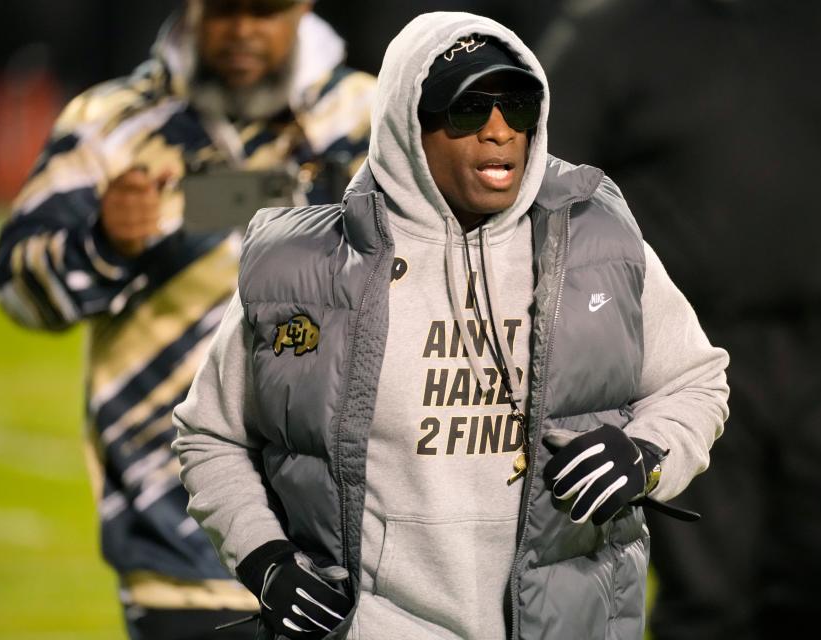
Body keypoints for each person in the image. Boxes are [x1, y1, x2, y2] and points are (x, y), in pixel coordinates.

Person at [173, 11, 729, 640]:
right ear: (409, 127)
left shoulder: (595, 240)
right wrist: (264, 560)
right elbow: (208, 435)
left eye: (518, 107)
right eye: (467, 111)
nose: (500, 132)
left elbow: (697, 381)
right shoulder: (298, 267)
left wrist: (648, 451)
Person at [541, 0, 821, 638]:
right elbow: (548, 183)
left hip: (819, 346)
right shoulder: (611, 32)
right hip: (684, 361)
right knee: (711, 598)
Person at [0, 1, 374, 637]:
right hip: (177, 534)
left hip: (350, 539)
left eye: (267, 10)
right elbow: (16, 288)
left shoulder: (373, 115)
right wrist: (102, 245)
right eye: (226, 9)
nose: (244, 30)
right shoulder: (110, 122)